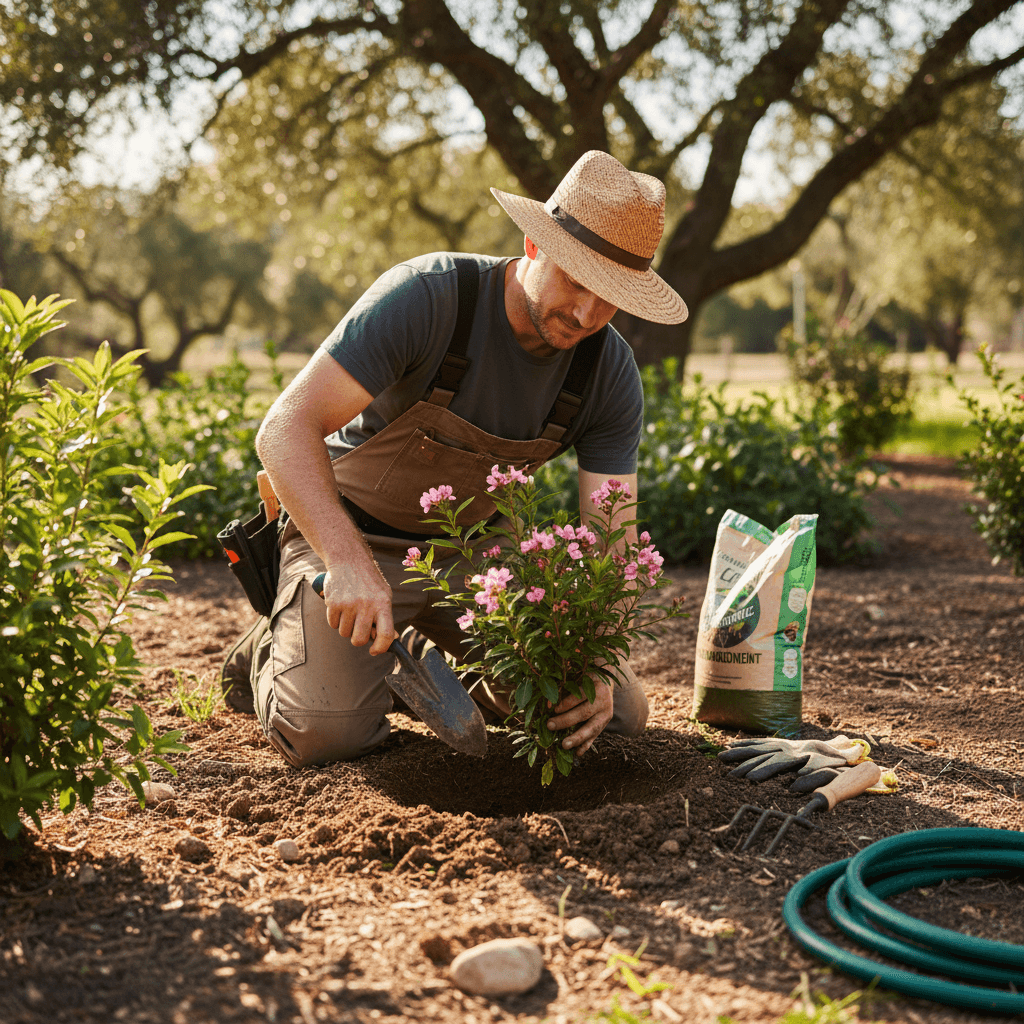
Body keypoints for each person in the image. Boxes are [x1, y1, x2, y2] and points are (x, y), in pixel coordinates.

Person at [220, 149, 688, 768]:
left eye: (610, 299)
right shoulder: (427, 298)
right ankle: (269, 649)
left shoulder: (608, 370)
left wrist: (600, 655)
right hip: (349, 538)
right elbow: (284, 429)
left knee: (611, 714)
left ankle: (432, 670)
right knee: (327, 737)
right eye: (577, 283)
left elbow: (612, 535)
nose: (586, 314)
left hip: (479, 560)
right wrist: (348, 562)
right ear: (532, 245)